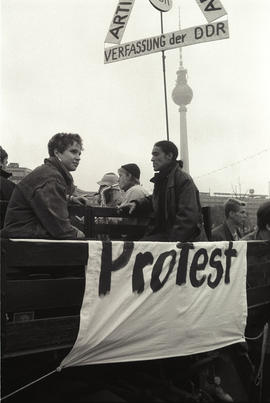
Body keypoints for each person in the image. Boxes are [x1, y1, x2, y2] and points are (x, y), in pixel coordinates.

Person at [1, 133, 85, 239]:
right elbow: (60, 228)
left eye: (79, 154)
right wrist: (79, 235)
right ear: (57, 153)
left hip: (23, 233)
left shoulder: (49, 172)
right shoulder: (51, 178)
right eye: (73, 152)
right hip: (24, 239)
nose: (78, 158)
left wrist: (70, 199)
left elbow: (43, 200)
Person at [122, 140, 207, 242]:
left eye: (156, 154)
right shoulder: (163, 180)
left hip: (182, 241)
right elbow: (154, 199)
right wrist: (137, 204)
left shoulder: (183, 179)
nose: (152, 159)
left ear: (169, 156)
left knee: (136, 250)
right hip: (167, 237)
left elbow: (187, 219)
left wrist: (170, 246)